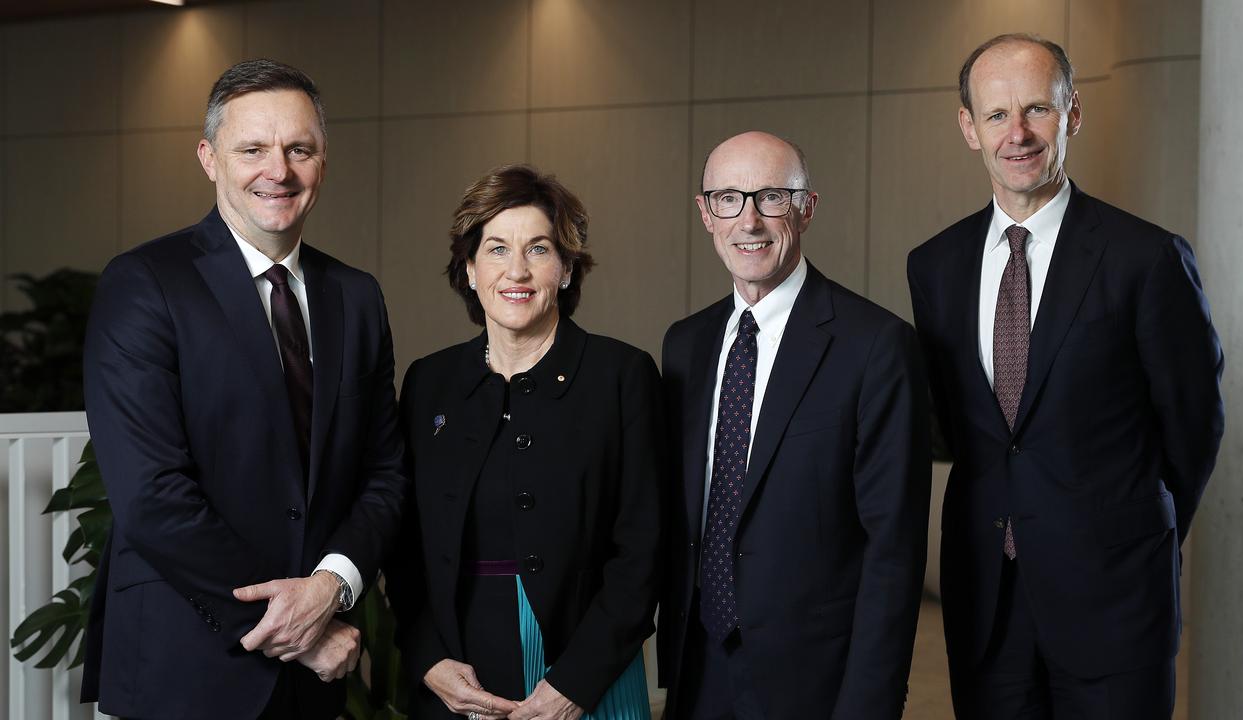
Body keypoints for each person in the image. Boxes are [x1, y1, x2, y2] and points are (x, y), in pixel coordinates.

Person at [907, 34, 1225, 719]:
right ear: (968, 127)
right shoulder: (934, 266)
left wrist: (1135, 534)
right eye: (996, 116)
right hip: (987, 602)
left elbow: (1193, 427)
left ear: (1072, 114)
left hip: (1116, 600)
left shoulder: (1146, 258)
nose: (1016, 134)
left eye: (1036, 111)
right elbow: (962, 427)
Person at [81, 59, 406, 719]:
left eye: (299, 150)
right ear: (209, 158)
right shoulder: (144, 283)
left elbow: (386, 472)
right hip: (186, 667)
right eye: (252, 149)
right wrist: (294, 628)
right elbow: (152, 495)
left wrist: (330, 588)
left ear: (322, 161)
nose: (277, 170)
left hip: (312, 681)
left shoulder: (357, 297)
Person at [658, 131, 932, 719]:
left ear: (806, 208)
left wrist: (868, 704)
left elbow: (894, 551)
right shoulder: (685, 345)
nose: (749, 220)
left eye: (772, 198)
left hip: (816, 683)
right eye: (728, 198)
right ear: (705, 214)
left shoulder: (875, 346)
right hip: (696, 668)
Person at [386, 164, 663, 720]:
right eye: (495, 249)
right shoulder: (428, 383)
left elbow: (643, 553)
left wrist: (573, 687)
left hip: (586, 670)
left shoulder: (621, 376)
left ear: (565, 269)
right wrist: (428, 658)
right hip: (455, 672)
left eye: (538, 249)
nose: (517, 270)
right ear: (468, 268)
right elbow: (403, 544)